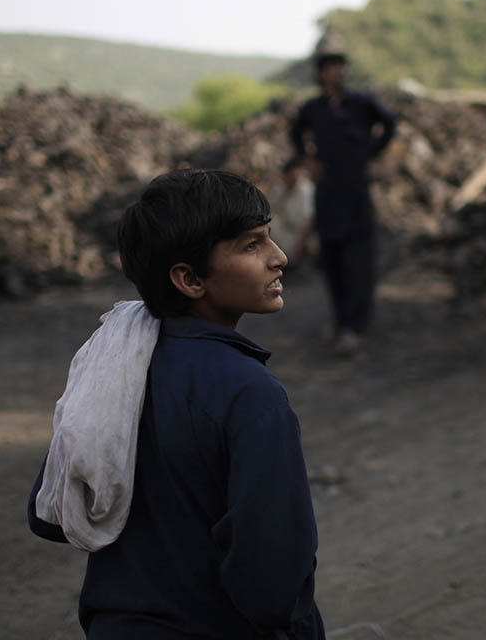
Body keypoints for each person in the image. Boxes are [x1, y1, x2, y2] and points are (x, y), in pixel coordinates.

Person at [28, 169, 325, 640]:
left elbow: (50, 512)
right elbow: (273, 581)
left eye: (269, 240)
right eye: (251, 245)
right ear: (189, 279)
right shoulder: (251, 392)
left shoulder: (116, 367)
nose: (279, 257)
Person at [289, 32, 396, 356]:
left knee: (358, 261)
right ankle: (339, 321)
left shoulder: (361, 104)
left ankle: (354, 326)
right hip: (327, 193)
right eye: (332, 67)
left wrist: (370, 153)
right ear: (321, 73)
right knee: (332, 259)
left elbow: (389, 124)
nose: (338, 72)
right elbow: (295, 132)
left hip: (355, 192)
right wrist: (307, 159)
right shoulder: (313, 108)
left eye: (341, 66)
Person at [266, 156, 316, 269]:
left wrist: (299, 242)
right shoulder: (280, 190)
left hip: (303, 236)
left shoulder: (306, 190)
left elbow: (309, 219)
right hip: (286, 232)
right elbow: (270, 210)